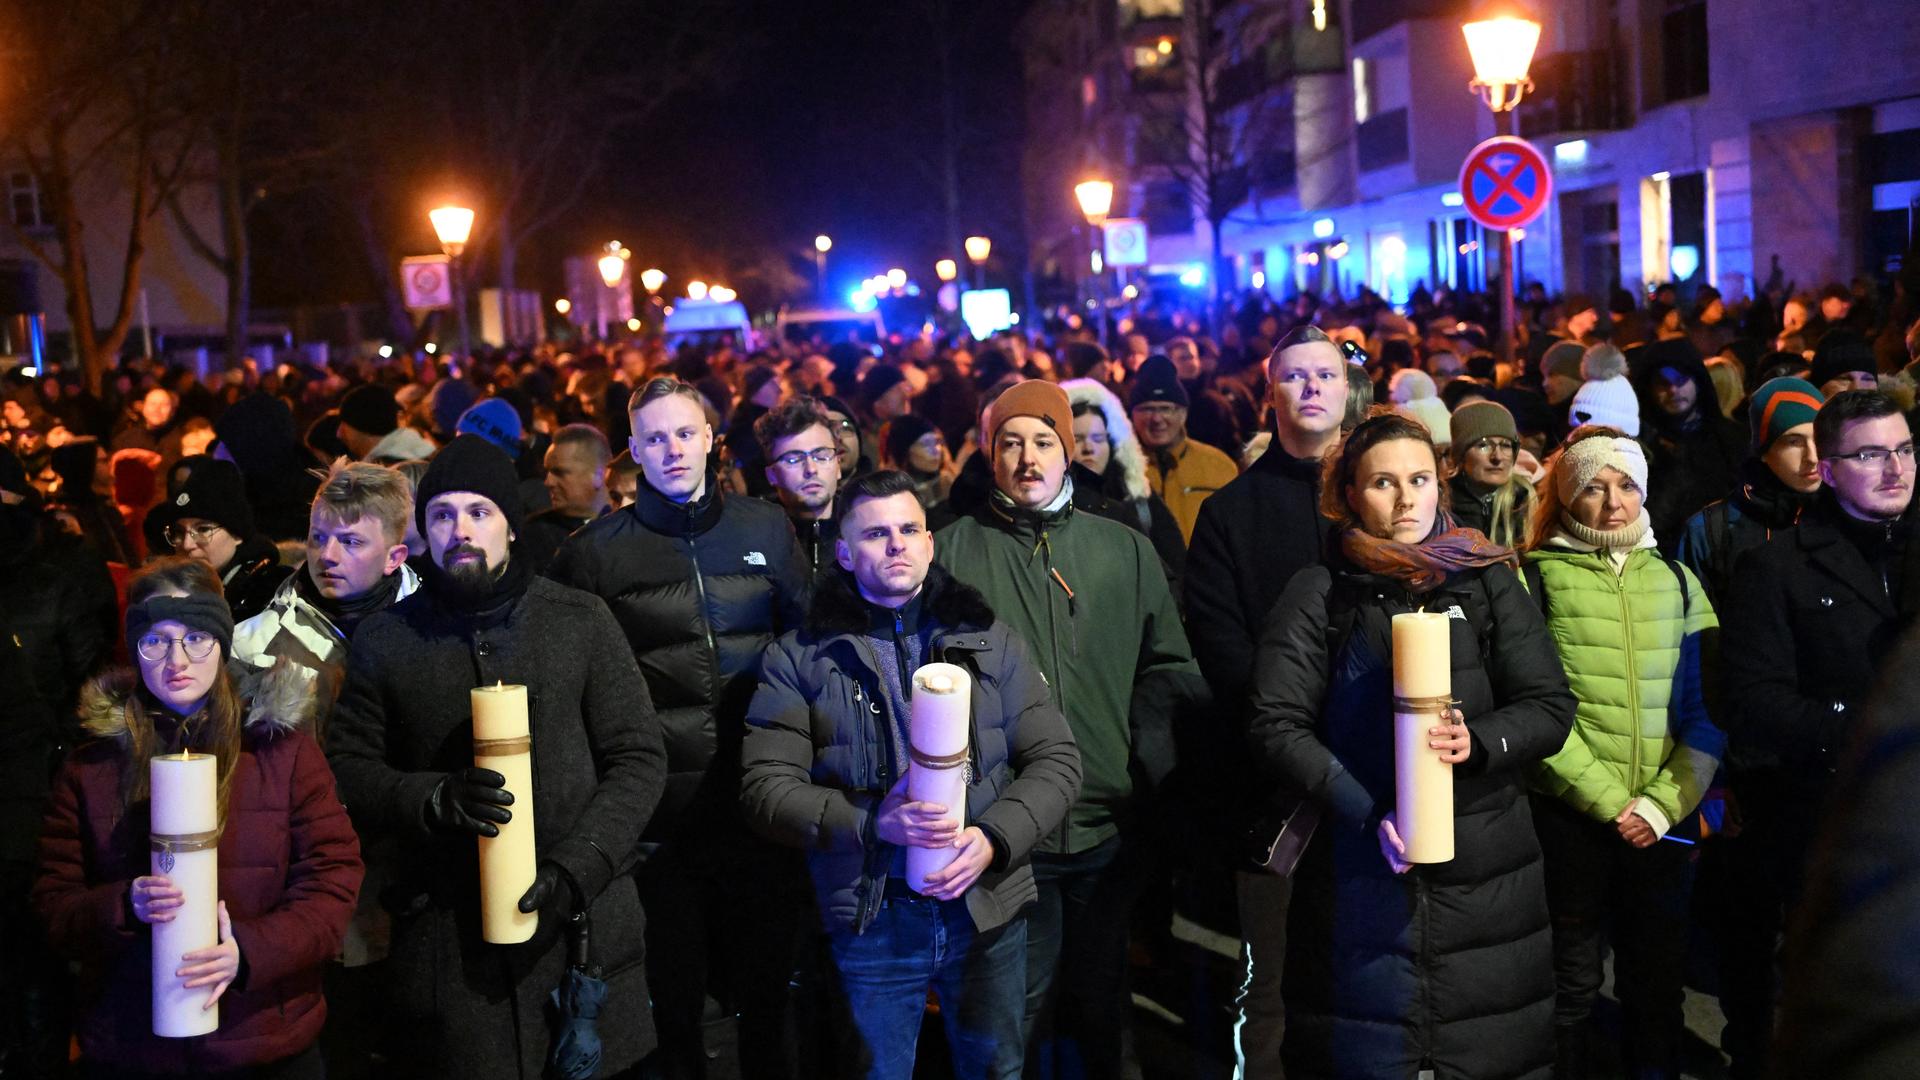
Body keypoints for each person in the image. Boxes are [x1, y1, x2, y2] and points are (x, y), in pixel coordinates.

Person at [327, 435, 668, 1079]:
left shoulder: (579, 621)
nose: (462, 530)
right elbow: (348, 768)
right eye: (443, 514)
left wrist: (576, 868)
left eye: (479, 512)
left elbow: (637, 758)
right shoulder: (387, 640)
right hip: (452, 951)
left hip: (583, 938)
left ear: (511, 525)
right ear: (423, 532)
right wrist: (430, 797)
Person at [1247, 411, 1575, 1079]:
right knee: (1368, 1048)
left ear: (1440, 484)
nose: (1405, 500)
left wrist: (1478, 741)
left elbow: (1549, 706)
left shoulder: (1485, 579)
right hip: (1361, 871)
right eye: (1383, 483)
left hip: (1488, 871)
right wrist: (1368, 810)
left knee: (1488, 1048)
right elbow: (1276, 722)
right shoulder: (1321, 591)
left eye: (1420, 480)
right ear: (1348, 495)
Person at [741, 469, 1083, 1080]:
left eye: (908, 529)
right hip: (875, 914)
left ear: (930, 542)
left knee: (996, 1070)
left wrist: (994, 839)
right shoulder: (802, 657)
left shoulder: (988, 639)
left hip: (983, 905)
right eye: (875, 533)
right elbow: (766, 790)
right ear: (844, 552)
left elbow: (1057, 761)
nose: (896, 543)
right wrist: (875, 823)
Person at [932, 378, 1205, 1079]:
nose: (1029, 458)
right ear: (989, 454)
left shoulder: (1123, 549)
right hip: (1001, 837)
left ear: (1068, 452)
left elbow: (1169, 666)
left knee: (1101, 1012)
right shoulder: (948, 553)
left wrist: (1140, 763)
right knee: (1007, 1025)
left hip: (1106, 829)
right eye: (1012, 442)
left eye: (1044, 442)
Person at [548, 376, 810, 1080]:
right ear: (633, 450)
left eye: (685, 433)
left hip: (761, 811)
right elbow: (573, 689)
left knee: (764, 1003)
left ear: (710, 440)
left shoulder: (763, 528)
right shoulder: (594, 553)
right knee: (675, 1011)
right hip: (658, 826)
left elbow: (806, 646)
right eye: (656, 438)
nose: (673, 450)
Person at [33, 557, 363, 1078]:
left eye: (196, 637)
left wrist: (248, 952)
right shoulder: (92, 765)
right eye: (156, 640)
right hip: (133, 1045)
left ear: (223, 640)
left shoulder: (281, 752)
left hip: (263, 1040)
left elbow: (333, 881)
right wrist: (122, 906)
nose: (176, 659)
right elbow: (55, 902)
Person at [1717, 389, 1919, 1076]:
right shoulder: (1778, 567)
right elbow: (1754, 701)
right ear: (1827, 468)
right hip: (1825, 821)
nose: (1895, 469)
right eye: (1870, 454)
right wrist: (1867, 724)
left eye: (1904, 450)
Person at [1520, 427, 1722, 1078]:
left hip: (1665, 821)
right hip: (1572, 819)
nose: (1614, 502)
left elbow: (1709, 709)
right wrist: (1613, 804)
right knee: (1570, 984)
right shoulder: (1534, 579)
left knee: (1657, 986)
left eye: (1627, 485)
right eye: (1593, 487)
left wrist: (1664, 806)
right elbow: (1532, 707)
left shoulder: (1680, 581)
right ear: (1565, 496)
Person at [1182, 324, 1347, 1078]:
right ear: (1270, 391)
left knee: (1364, 963)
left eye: (1325, 374)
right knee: (1270, 977)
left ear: (1349, 390)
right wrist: (1294, 732)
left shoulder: (1385, 496)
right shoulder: (1232, 511)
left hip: (1376, 769)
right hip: (1272, 780)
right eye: (1295, 376)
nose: (1311, 387)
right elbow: (1221, 643)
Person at [1, 452, 117, 1078]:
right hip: (35, 785)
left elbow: (87, 690)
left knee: (35, 961)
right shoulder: (55, 569)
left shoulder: (55, 573)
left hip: (34, 795)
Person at [230, 459, 418, 743]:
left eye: (350, 542)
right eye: (317, 537)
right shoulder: (249, 645)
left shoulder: (435, 631)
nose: (327, 554)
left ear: (394, 557)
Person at [1675, 377, 1825, 603]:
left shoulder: (1847, 515)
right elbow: (1692, 625)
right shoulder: (1710, 531)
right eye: (1794, 442)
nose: (1812, 457)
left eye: (1820, 438)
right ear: (1764, 450)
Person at [1062, 378, 1186, 585]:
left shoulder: (1137, 498)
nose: (1089, 448)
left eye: (1098, 438)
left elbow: (1175, 569)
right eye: (1078, 439)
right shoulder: (1048, 506)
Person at [145, 457, 292, 623]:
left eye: (203, 529)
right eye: (178, 532)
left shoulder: (269, 591)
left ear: (237, 535)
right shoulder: (169, 591)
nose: (187, 544)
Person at [1635, 339, 1747, 552]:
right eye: (1663, 383)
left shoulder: (1730, 439)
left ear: (1698, 381)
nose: (1673, 390)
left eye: (1681, 380)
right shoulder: (1643, 446)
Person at [1131, 355, 1238, 543]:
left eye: (1166, 408)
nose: (1156, 419)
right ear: (1132, 415)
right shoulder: (1121, 469)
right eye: (1147, 409)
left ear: (1183, 413)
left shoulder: (1219, 467)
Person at [755, 395, 843, 576]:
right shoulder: (755, 535)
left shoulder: (863, 526)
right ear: (772, 475)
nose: (811, 469)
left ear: (838, 466)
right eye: (793, 459)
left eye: (821, 455)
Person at [520, 423, 611, 573]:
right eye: (547, 472)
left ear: (599, 475)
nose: (548, 482)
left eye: (559, 472)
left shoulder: (630, 528)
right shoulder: (533, 536)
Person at [1449, 400, 1536, 549]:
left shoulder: (1525, 500)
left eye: (1505, 445)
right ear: (1461, 455)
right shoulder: (1442, 504)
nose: (1497, 457)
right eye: (1483, 445)